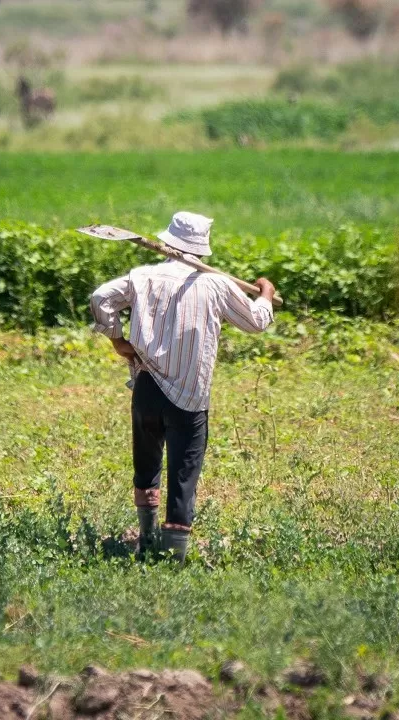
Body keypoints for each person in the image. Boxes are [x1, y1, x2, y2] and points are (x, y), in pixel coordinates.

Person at [89, 211, 277, 562]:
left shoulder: (142, 277)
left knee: (146, 466)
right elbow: (256, 321)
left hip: (146, 389)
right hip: (189, 399)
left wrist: (117, 340)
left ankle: (146, 541)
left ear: (167, 244)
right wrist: (265, 292)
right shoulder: (217, 285)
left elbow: (101, 297)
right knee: (183, 475)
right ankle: (173, 561)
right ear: (203, 250)